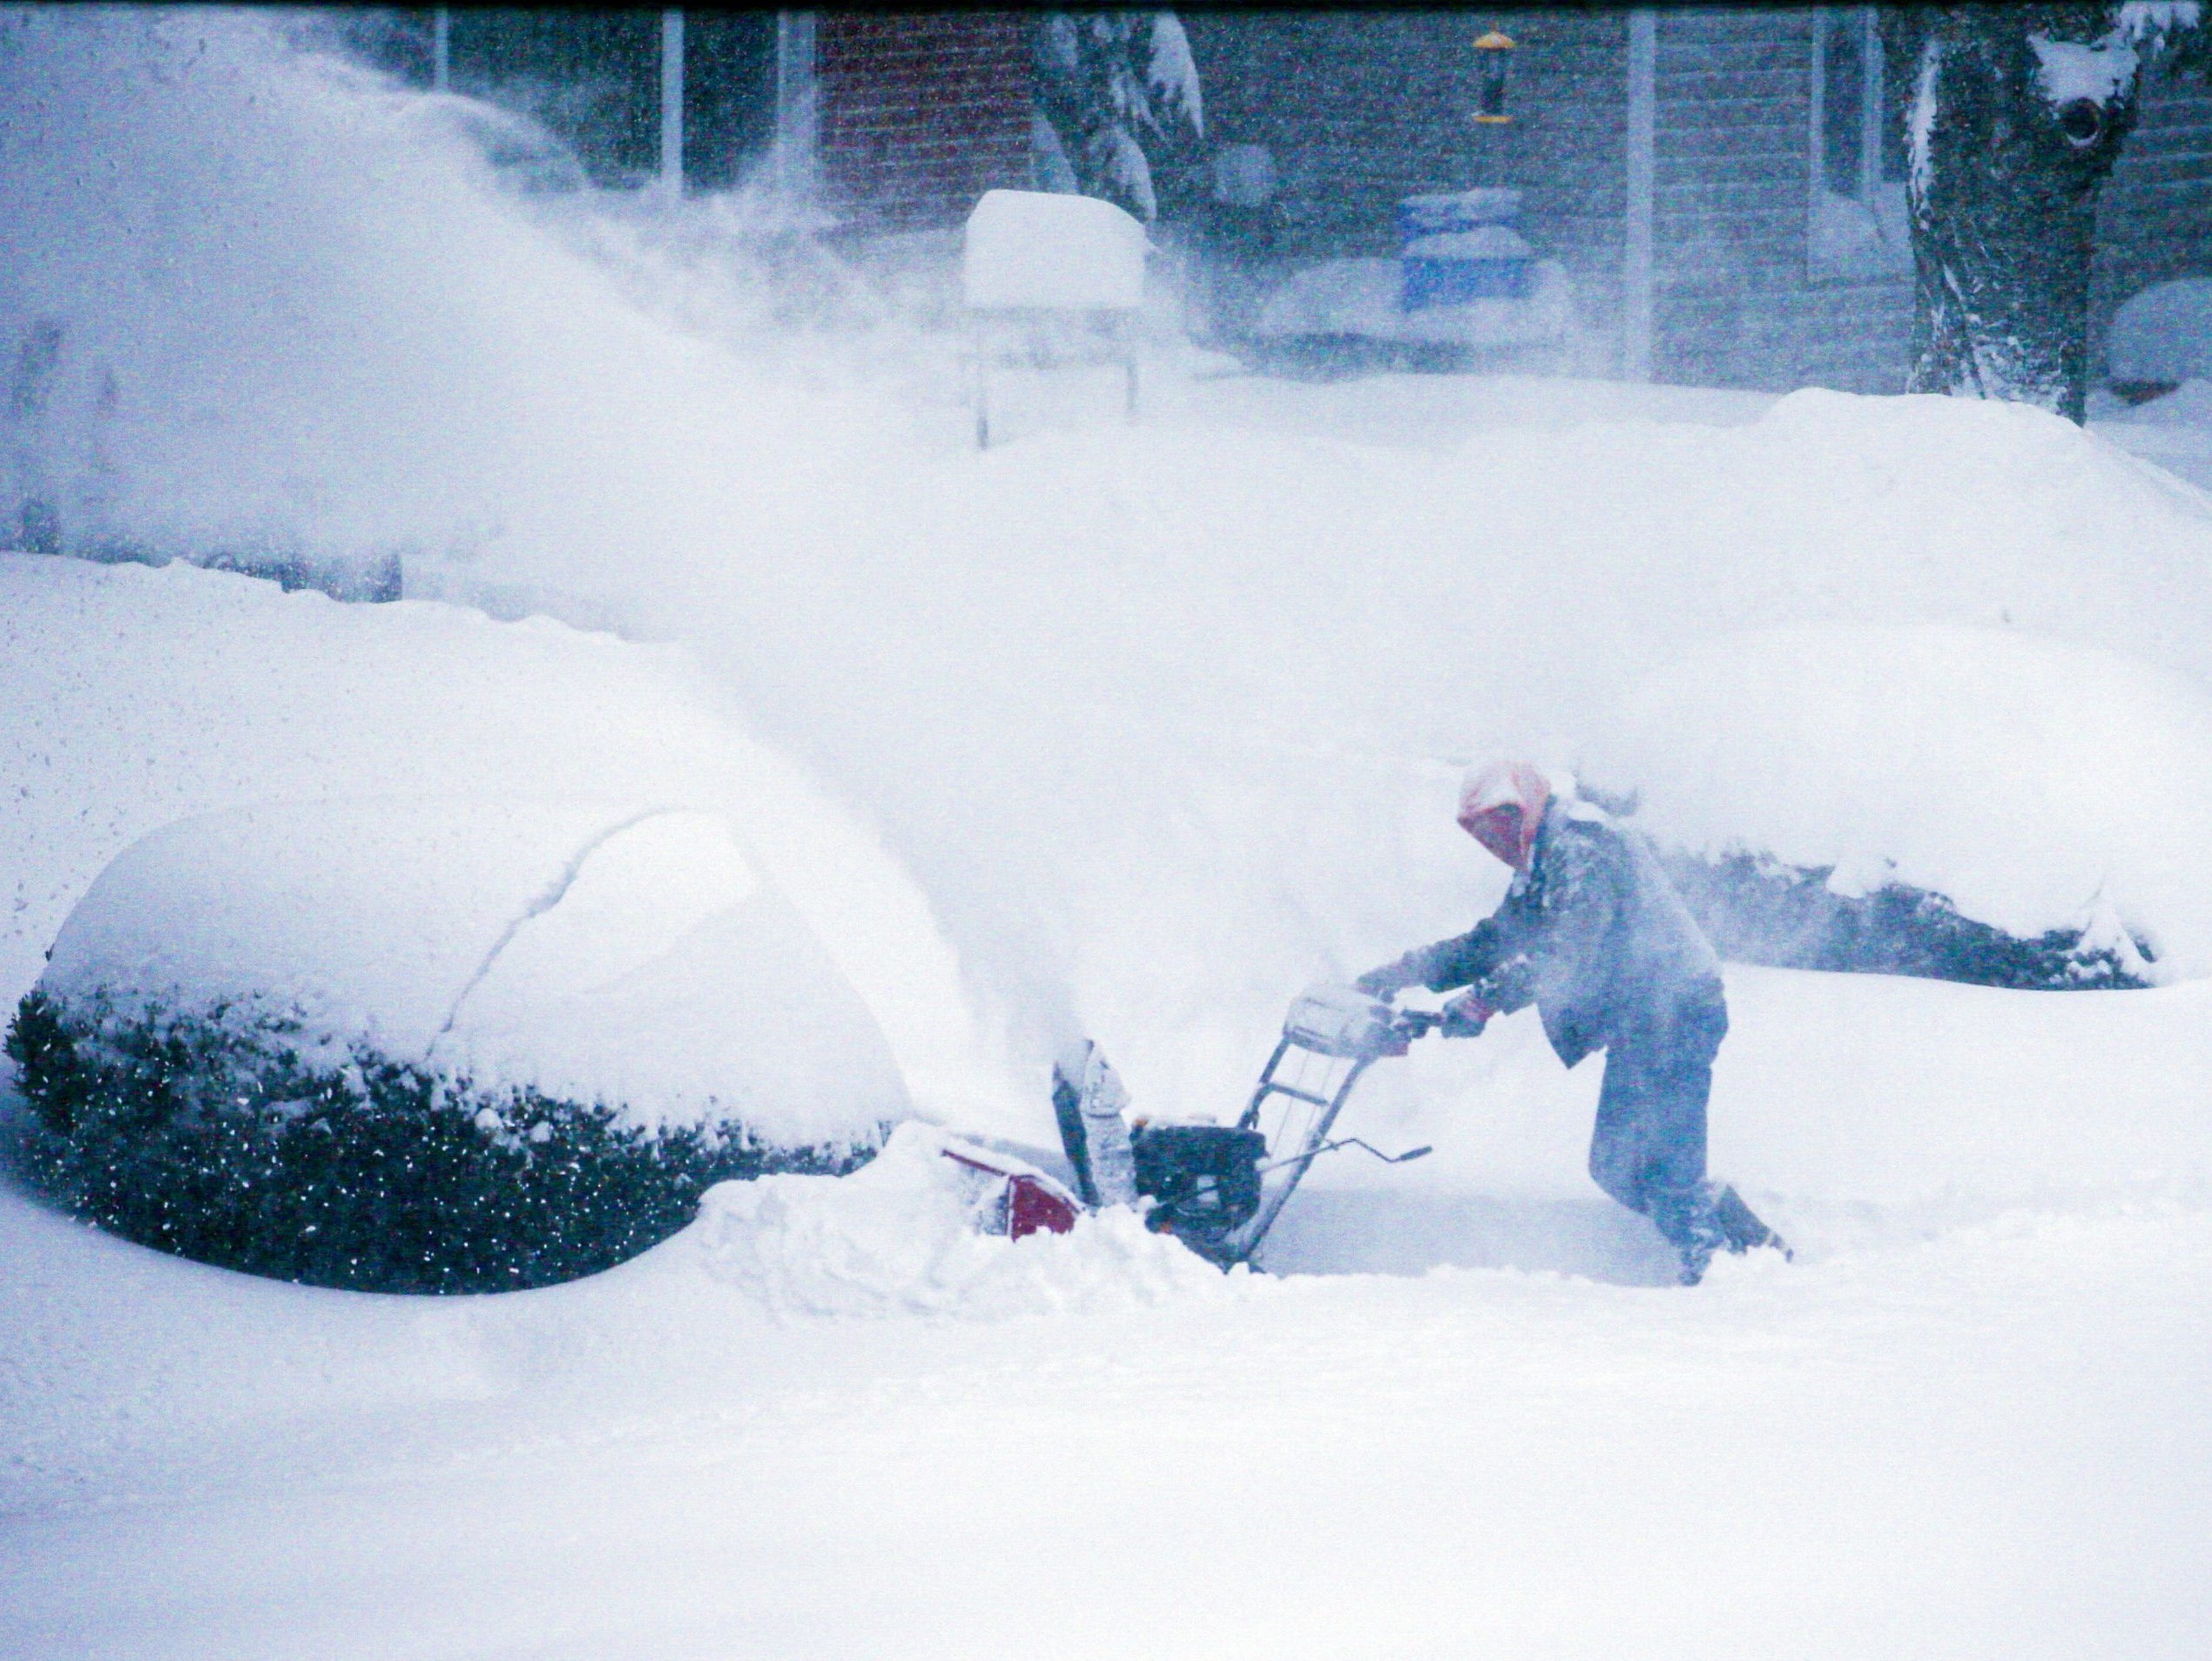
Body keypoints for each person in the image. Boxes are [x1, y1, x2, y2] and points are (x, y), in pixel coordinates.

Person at [1354, 761, 1783, 1285]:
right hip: (1642, 1021)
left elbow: (1570, 952)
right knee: (1616, 1168)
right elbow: (1495, 940)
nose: (1495, 841)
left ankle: (1717, 1276)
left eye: (1501, 824)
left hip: (1676, 1010)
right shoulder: (1543, 861)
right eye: (1483, 833)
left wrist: (1483, 1003)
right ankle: (1760, 1253)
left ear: (1527, 805)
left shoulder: (1581, 845)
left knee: (1667, 1173)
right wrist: (1406, 971)